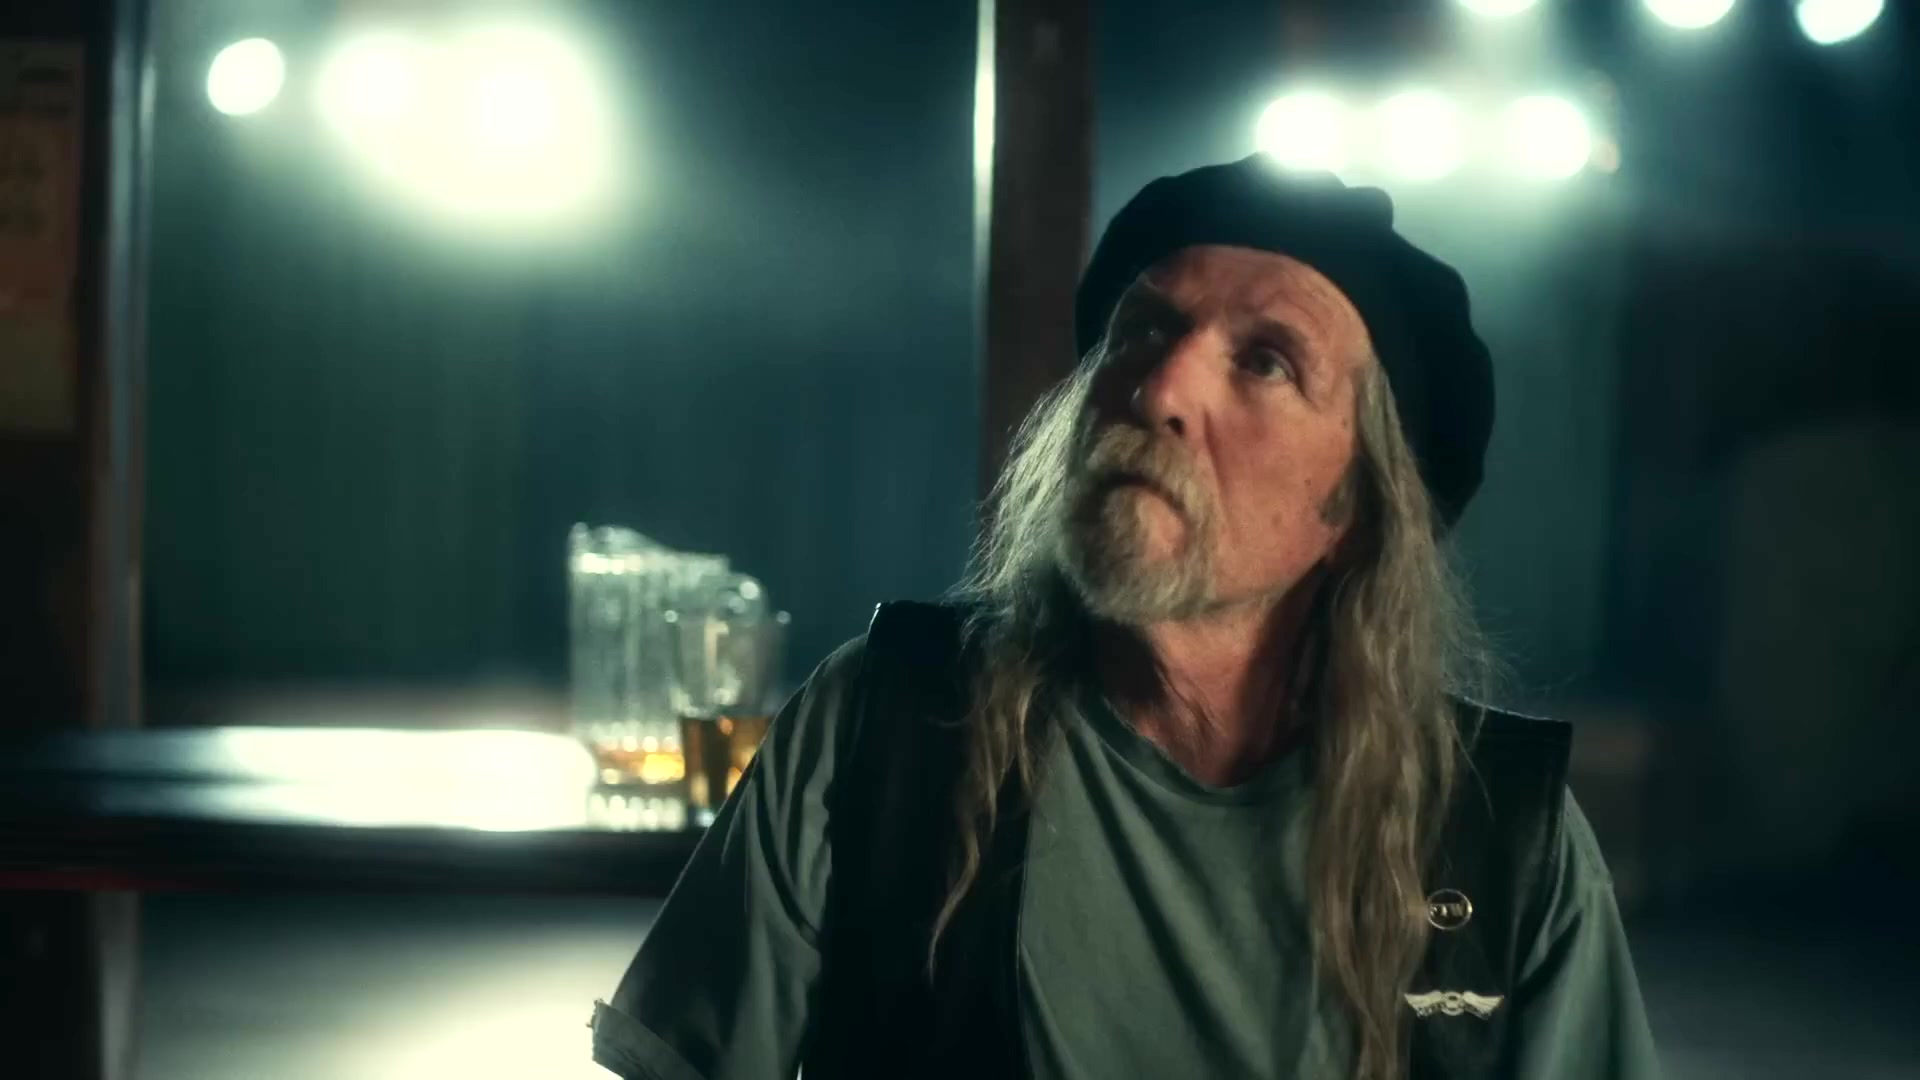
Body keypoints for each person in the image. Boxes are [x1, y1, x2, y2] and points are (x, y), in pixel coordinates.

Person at [590, 157, 1661, 1080]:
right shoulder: (883, 726)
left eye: (1266, 360)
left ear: (1356, 510)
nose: (1159, 387)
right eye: (1143, 328)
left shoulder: (1500, 839)